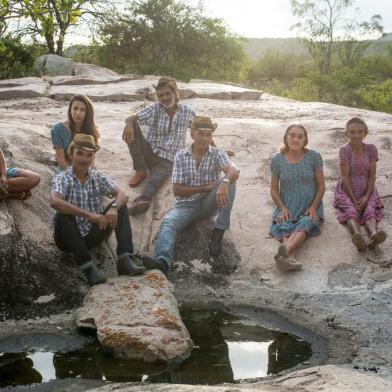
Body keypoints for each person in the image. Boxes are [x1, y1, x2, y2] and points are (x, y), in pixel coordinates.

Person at [141, 116, 240, 275]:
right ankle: (162, 262)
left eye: (209, 135)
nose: (205, 138)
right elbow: (178, 190)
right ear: (192, 134)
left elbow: (234, 170)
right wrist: (206, 187)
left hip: (209, 204)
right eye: (201, 134)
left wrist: (224, 183)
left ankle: (219, 230)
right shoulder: (181, 155)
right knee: (168, 223)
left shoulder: (217, 153)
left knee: (230, 181)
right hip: (185, 205)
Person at [50, 134, 145, 285]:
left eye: (89, 155)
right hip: (68, 239)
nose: (84, 159)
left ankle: (125, 258)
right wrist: (89, 215)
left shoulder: (97, 177)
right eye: (80, 153)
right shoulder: (63, 177)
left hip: (92, 235)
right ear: (71, 153)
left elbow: (123, 194)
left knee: (120, 206)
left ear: (93, 158)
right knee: (62, 215)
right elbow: (54, 201)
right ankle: (88, 268)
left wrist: (113, 208)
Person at [122, 77, 195, 215]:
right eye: (161, 95)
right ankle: (140, 170)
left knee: (155, 180)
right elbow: (132, 117)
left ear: (175, 93)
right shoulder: (155, 109)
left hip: (168, 160)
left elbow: (200, 130)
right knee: (133, 125)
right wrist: (128, 124)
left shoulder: (187, 111)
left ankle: (141, 201)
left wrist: (215, 150)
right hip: (149, 151)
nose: (165, 97)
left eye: (168, 93)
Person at [270, 124, 325, 271]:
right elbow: (274, 190)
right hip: (287, 205)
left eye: (300, 136)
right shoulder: (277, 159)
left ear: (305, 140)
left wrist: (313, 207)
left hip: (310, 205)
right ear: (286, 138)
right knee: (284, 223)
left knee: (306, 222)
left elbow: (321, 186)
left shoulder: (314, 156)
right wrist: (282, 208)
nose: (296, 139)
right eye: (292, 135)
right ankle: (289, 258)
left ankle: (285, 251)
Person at [334, 117, 386, 251]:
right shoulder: (344, 150)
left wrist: (367, 196)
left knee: (370, 209)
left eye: (360, 132)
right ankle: (357, 236)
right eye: (352, 132)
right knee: (351, 211)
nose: (356, 135)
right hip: (347, 189)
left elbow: (372, 175)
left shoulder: (371, 149)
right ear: (347, 133)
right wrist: (353, 199)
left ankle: (374, 235)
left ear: (365, 133)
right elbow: (344, 177)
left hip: (367, 188)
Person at [51, 94, 100, 173]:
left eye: (82, 110)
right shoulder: (58, 129)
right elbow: (61, 161)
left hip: (85, 171)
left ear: (87, 112)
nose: (78, 113)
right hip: (64, 171)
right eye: (75, 108)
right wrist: (75, 176)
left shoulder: (92, 131)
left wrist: (84, 175)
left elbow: (91, 160)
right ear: (70, 110)